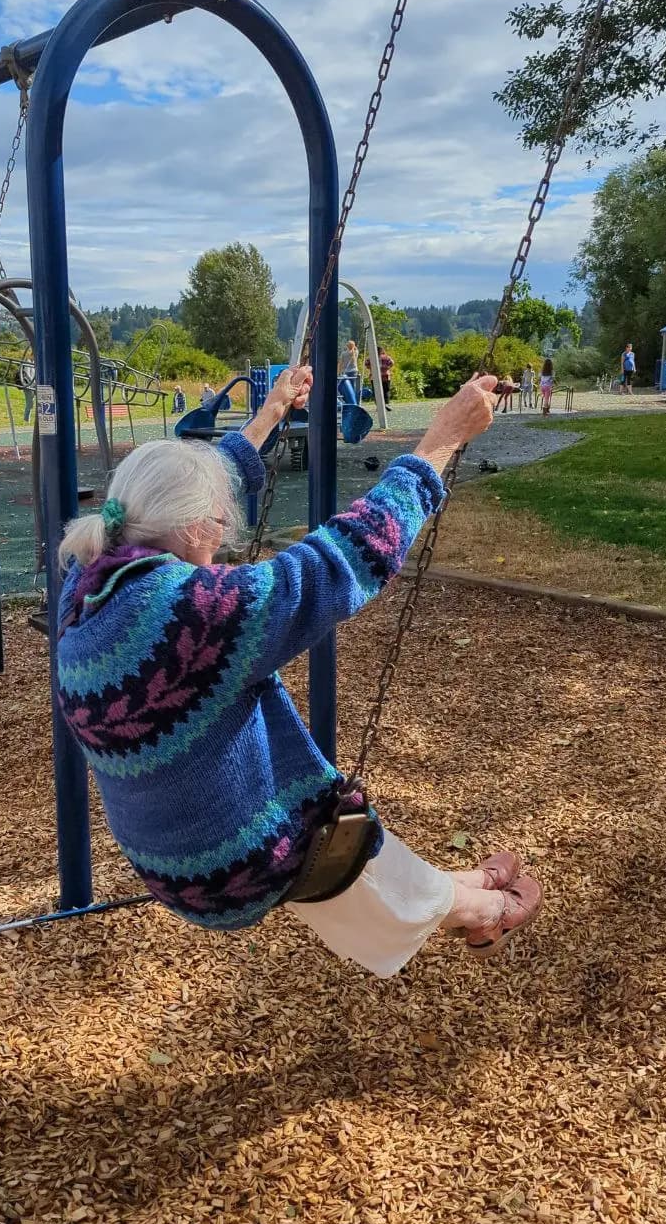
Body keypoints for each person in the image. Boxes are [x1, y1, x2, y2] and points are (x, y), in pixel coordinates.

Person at [56, 367, 542, 978]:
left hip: (160, 850)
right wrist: (439, 441)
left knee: (339, 842)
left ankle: (462, 886)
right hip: (222, 862)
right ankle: (482, 908)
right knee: (330, 842)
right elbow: (337, 564)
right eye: (220, 528)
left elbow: (205, 478)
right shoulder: (192, 613)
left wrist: (269, 413)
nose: (223, 544)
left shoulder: (88, 575)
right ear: (199, 526)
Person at [367, 345, 395, 411]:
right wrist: (387, 368)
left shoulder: (371, 357)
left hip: (374, 377)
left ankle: (379, 406)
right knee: (386, 391)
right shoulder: (387, 357)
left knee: (376, 392)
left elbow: (366, 364)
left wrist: (371, 368)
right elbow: (392, 363)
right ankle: (387, 404)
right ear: (382, 351)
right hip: (385, 376)